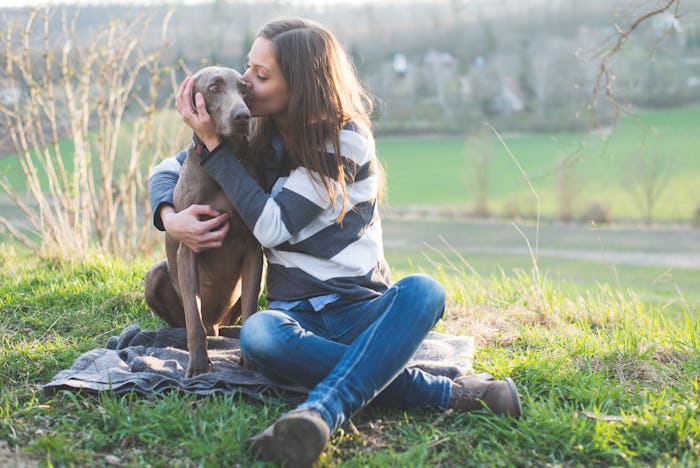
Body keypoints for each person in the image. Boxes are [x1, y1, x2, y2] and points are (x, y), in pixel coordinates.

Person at [149, 17, 522, 467]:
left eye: (260, 76)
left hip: (358, 308)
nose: (245, 83)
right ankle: (431, 387)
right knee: (258, 332)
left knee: (425, 291)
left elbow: (272, 226)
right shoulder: (257, 136)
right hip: (294, 316)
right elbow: (168, 170)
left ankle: (321, 413)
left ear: (301, 84)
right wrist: (171, 218)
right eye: (248, 68)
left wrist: (215, 151)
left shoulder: (344, 138)